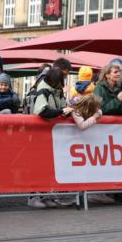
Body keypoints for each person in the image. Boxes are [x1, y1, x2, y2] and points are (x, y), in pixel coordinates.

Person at [30, 66, 74, 208]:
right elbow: (43, 111)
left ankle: (47, 195)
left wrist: (66, 110)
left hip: (53, 135)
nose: (62, 84)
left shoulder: (56, 90)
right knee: (39, 166)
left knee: (51, 166)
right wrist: (62, 110)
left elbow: (60, 107)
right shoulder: (43, 90)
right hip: (40, 134)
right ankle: (34, 197)